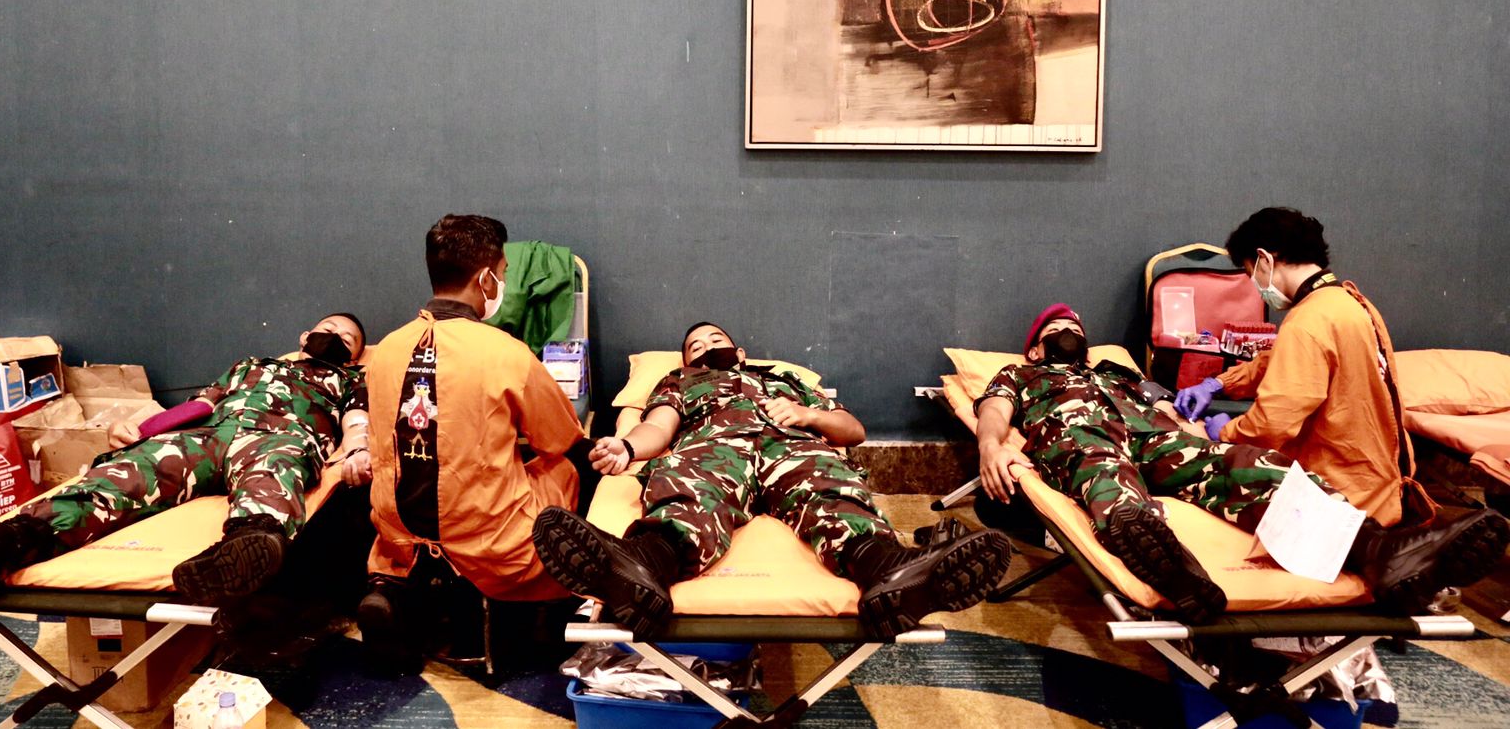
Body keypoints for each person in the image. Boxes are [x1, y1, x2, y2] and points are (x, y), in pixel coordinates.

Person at [978, 304, 1509, 622]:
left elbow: (1169, 407)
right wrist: (992, 448)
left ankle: (1379, 550)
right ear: (1035, 349)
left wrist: (1199, 432)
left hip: (1159, 439)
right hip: (1080, 435)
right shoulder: (1021, 375)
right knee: (1102, 471)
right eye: (1057, 328)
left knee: (1252, 464)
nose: (1069, 331)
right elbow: (995, 412)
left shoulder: (1119, 373)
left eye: (1075, 327)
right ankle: (1167, 562)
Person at [532, 321, 1013, 640]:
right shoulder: (680, 383)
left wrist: (807, 415)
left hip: (792, 445)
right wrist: (627, 447)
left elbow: (853, 431)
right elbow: (658, 427)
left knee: (830, 490)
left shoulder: (788, 381)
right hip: (716, 446)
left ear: (740, 352)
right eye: (695, 347)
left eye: (714, 339)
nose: (707, 348)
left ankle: (888, 570)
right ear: (685, 362)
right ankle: (644, 566)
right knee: (691, 488)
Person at [0, 313, 369, 606]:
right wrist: (141, 430)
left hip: (281, 436)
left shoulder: (351, 379)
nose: (335, 338)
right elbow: (198, 405)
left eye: (347, 339)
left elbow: (356, 422)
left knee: (270, 478)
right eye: (329, 329)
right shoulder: (251, 364)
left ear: (354, 354)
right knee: (126, 474)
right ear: (306, 335)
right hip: (209, 435)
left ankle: (243, 552)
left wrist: (357, 449)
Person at [357, 214, 584, 650]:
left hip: (398, 535)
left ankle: (395, 583)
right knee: (566, 468)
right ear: (485, 279)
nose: (503, 284)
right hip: (490, 544)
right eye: (503, 274)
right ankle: (543, 615)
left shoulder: (385, 350)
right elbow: (558, 437)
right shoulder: (506, 353)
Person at [1174, 208, 1421, 527]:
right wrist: (1219, 383)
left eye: (1250, 273)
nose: (1256, 285)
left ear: (1264, 260)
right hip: (1381, 483)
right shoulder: (1347, 302)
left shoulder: (1307, 321)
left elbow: (1270, 425)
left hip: (1339, 495)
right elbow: (1279, 360)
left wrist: (1224, 432)